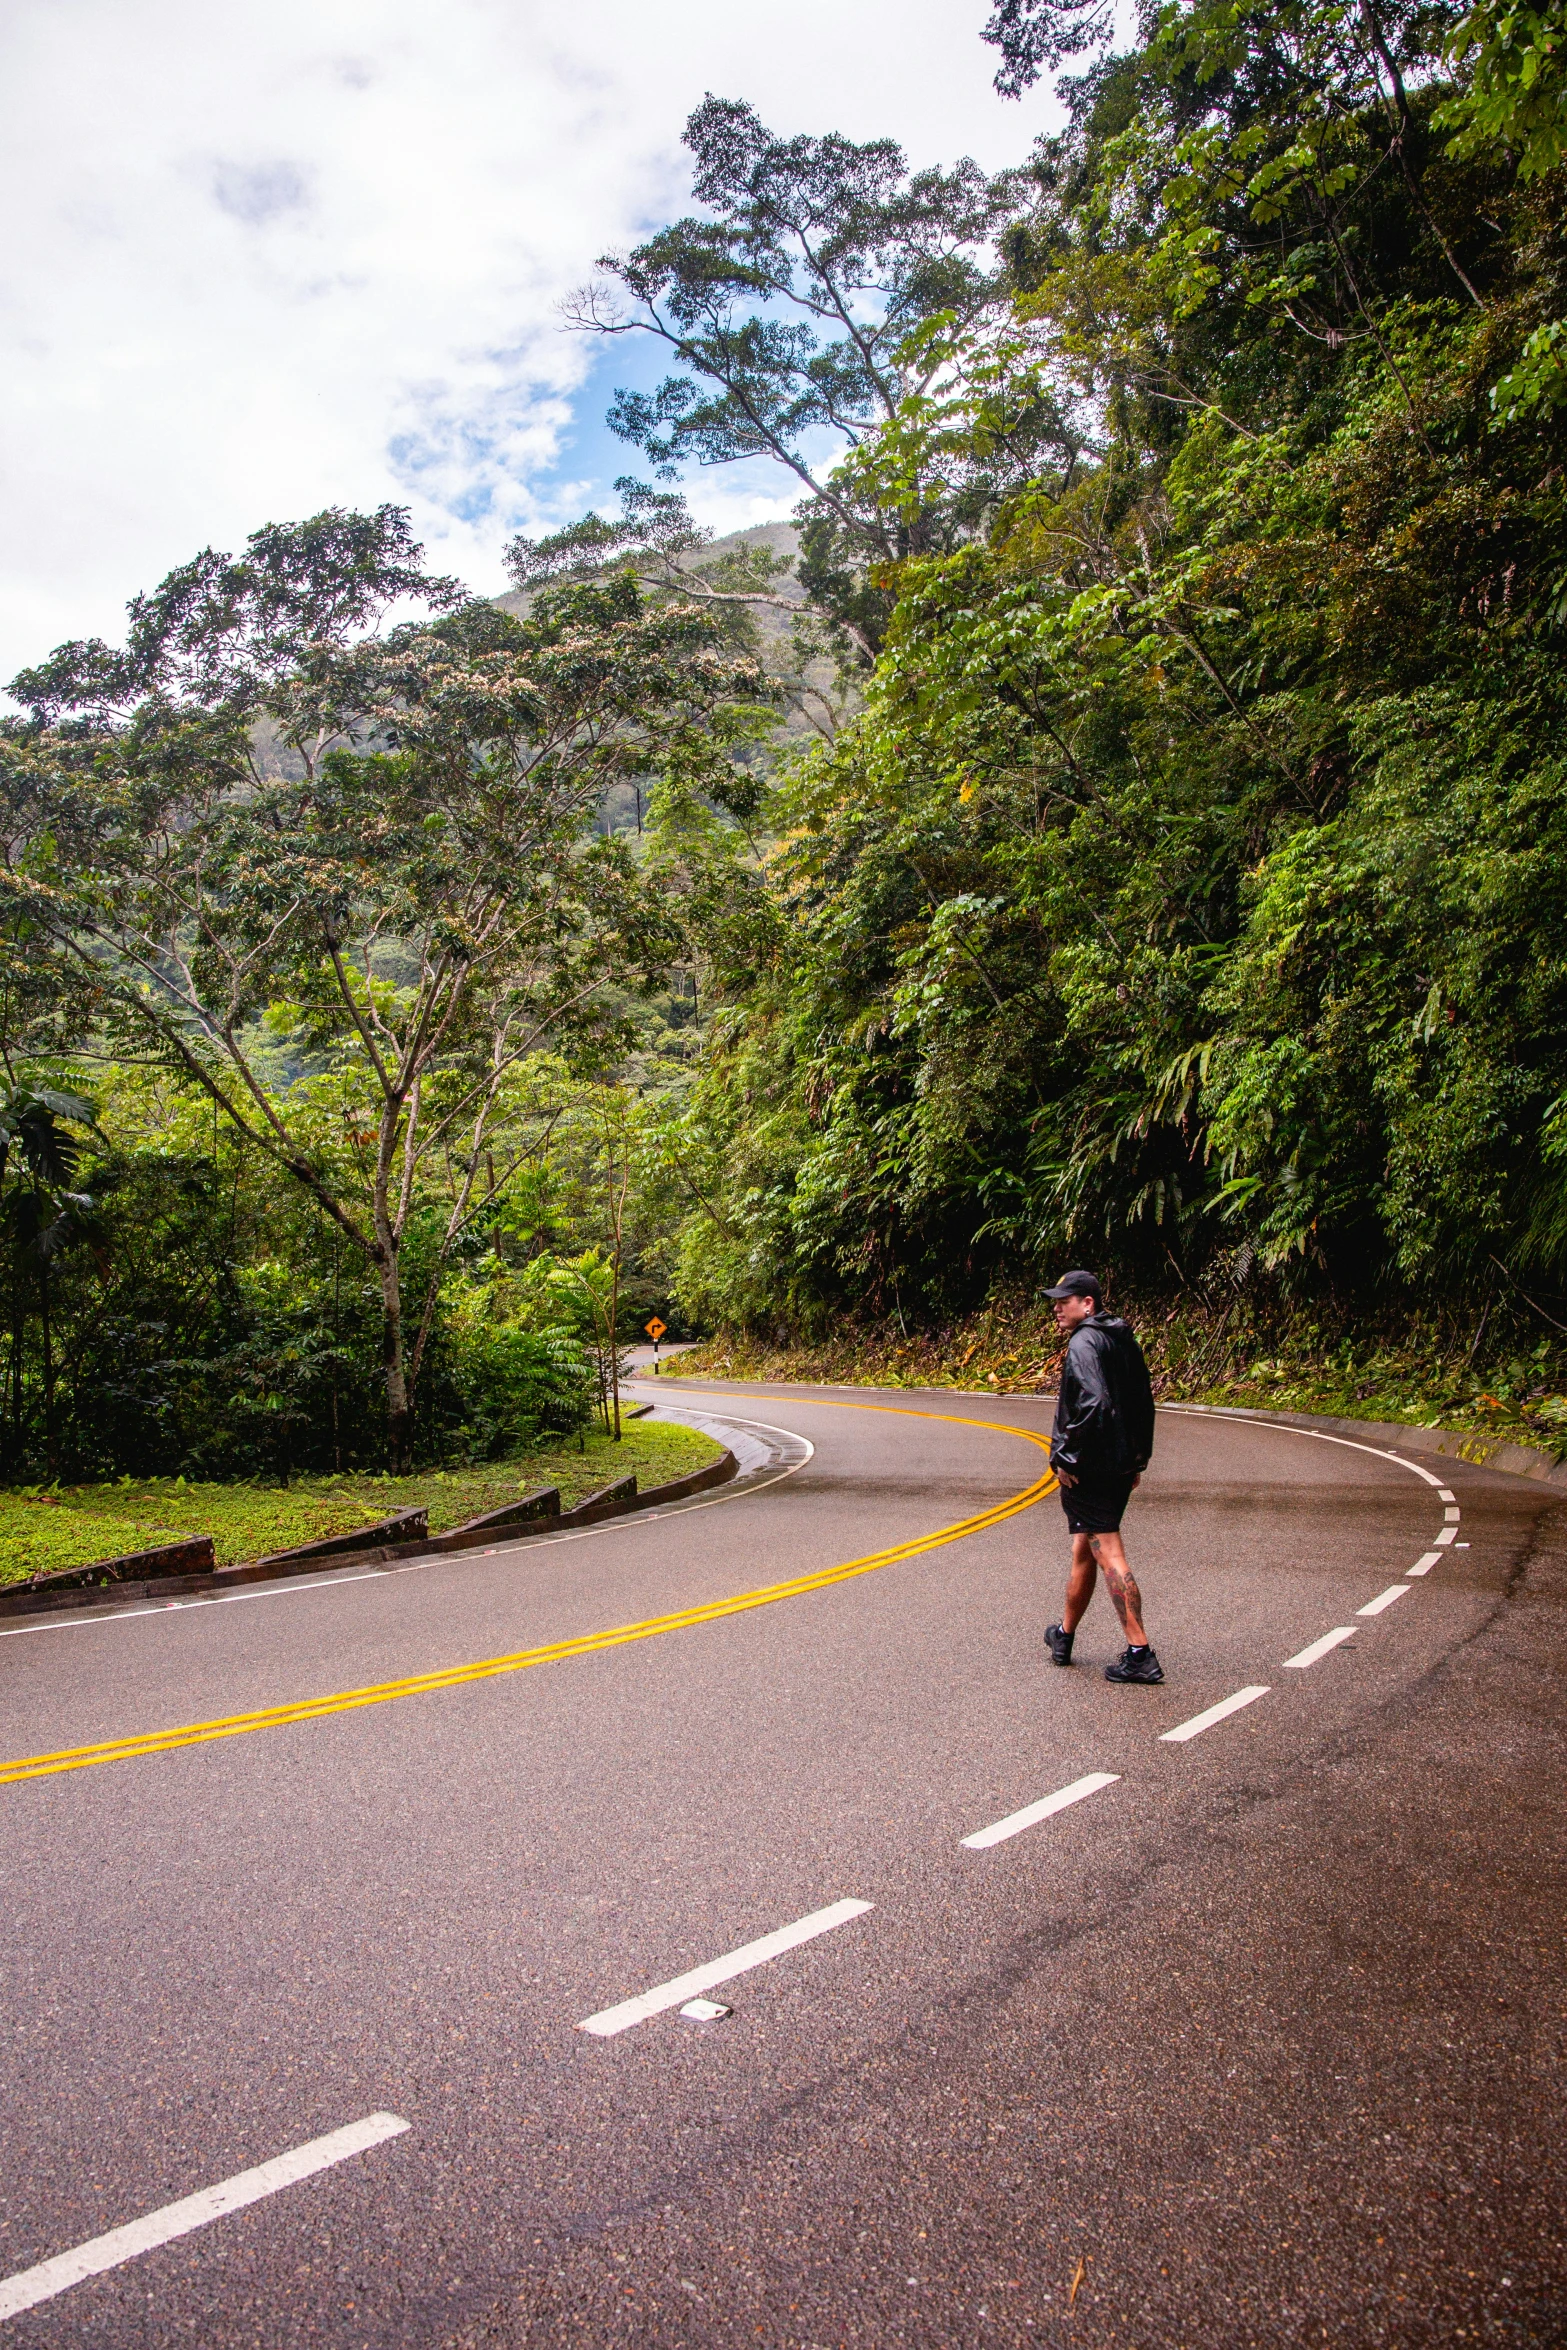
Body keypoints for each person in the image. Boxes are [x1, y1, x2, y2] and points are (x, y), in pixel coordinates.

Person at [1041, 1270, 1163, 1685]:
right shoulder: (1120, 1337)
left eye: (1065, 1300)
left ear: (1087, 1304)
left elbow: (1095, 1403)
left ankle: (1139, 1651)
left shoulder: (1084, 1342)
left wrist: (1066, 1456)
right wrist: (1136, 1459)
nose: (1056, 1308)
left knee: (1107, 1550)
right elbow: (1142, 1402)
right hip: (1117, 1463)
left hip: (1090, 1467)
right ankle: (1064, 1635)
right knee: (1084, 1547)